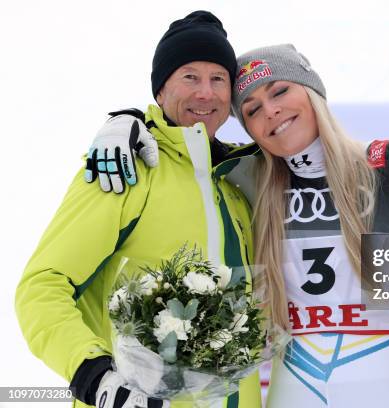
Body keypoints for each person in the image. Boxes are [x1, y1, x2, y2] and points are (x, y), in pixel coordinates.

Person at [84, 27, 389, 407]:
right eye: (253, 110)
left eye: (280, 91)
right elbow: (182, 145)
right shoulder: (247, 179)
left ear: (314, 92)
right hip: (293, 380)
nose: (272, 111)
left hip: (385, 377)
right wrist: (124, 122)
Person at [15, 11, 262, 408]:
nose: (205, 93)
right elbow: (42, 286)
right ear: (160, 91)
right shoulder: (124, 166)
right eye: (189, 77)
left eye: (218, 79)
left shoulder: (239, 179)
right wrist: (93, 374)